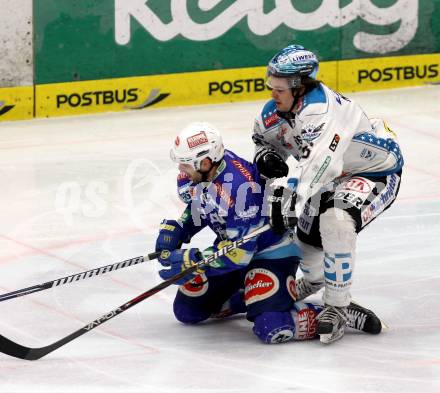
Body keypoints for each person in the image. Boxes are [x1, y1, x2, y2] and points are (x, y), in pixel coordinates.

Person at [155, 122, 382, 344]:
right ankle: (254, 294)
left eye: (185, 164)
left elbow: (239, 254)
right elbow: (202, 205)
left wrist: (195, 261)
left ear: (204, 162)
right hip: (234, 253)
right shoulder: (204, 173)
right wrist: (179, 229)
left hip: (271, 255)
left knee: (272, 327)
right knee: (188, 311)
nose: (180, 170)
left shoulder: (239, 189)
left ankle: (333, 313)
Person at [252, 44, 403, 344]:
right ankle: (313, 283)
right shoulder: (275, 111)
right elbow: (261, 139)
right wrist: (265, 155)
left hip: (374, 170)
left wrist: (285, 197)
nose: (273, 94)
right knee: (306, 241)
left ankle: (337, 306)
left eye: (279, 88)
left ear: (300, 87)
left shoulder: (322, 112)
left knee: (335, 219)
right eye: (271, 86)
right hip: (330, 174)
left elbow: (319, 166)